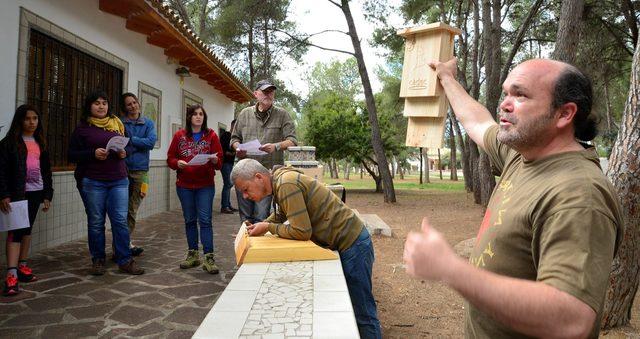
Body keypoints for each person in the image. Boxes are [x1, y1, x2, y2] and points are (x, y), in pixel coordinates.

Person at [403, 58, 623, 338]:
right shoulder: (523, 155)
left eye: (520, 95)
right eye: (506, 93)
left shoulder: (579, 194)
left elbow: (571, 318)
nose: (505, 104)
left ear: (564, 114)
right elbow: (477, 120)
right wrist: (447, 79)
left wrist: (450, 269)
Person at [231, 159, 382, 339]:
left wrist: (268, 228)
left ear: (258, 177)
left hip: (353, 243)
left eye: (246, 190)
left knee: (362, 310)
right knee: (355, 305)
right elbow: (282, 214)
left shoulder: (286, 183)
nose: (246, 196)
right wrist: (263, 224)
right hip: (349, 241)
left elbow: (302, 231)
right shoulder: (281, 181)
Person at [68, 90, 144, 276]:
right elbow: (71, 155)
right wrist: (92, 153)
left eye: (104, 102)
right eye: (97, 103)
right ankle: (98, 260)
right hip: (93, 182)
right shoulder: (82, 128)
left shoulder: (117, 124)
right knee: (96, 222)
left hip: (119, 180)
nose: (101, 106)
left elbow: (130, 146)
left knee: (119, 221)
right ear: (89, 106)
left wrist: (124, 152)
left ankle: (125, 260)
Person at [0, 105, 53, 296]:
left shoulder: (41, 142)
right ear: (20, 121)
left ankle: (22, 266)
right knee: (15, 231)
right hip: (16, 194)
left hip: (36, 192)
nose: (32, 122)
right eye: (27, 119)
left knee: (27, 229)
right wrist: (4, 194)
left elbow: (46, 171)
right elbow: (2, 172)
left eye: (35, 118)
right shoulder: (9, 143)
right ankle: (11, 274)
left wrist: (48, 194)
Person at [230, 79, 297, 224]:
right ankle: (247, 246)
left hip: (267, 175)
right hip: (244, 173)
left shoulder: (282, 114)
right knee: (245, 218)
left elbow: (292, 140)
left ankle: (259, 246)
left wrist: (276, 146)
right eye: (264, 91)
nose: (268, 94)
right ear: (256, 94)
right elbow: (234, 139)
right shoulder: (244, 114)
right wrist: (238, 148)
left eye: (271, 91)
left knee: (262, 217)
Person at [167, 104, 223, 274]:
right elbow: (170, 158)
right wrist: (178, 163)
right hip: (184, 186)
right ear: (189, 117)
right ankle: (193, 255)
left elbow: (219, 162)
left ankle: (209, 257)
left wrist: (214, 160)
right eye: (195, 114)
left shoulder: (211, 135)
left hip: (205, 186)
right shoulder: (179, 136)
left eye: (201, 114)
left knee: (205, 220)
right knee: (190, 220)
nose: (198, 117)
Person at [121, 92, 157, 256]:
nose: (133, 106)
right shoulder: (121, 123)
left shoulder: (148, 123)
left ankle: (124, 243)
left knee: (132, 209)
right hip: (122, 171)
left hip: (141, 174)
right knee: (121, 210)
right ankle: (122, 245)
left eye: (134, 102)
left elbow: (150, 143)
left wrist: (131, 140)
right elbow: (120, 143)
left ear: (138, 104)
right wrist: (136, 143)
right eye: (129, 104)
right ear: (125, 108)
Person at [219, 119, 237, 214]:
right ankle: (224, 207)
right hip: (224, 163)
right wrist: (234, 152)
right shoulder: (226, 135)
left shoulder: (235, 138)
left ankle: (228, 205)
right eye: (236, 126)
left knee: (229, 184)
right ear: (232, 125)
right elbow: (222, 151)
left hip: (230, 163)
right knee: (228, 184)